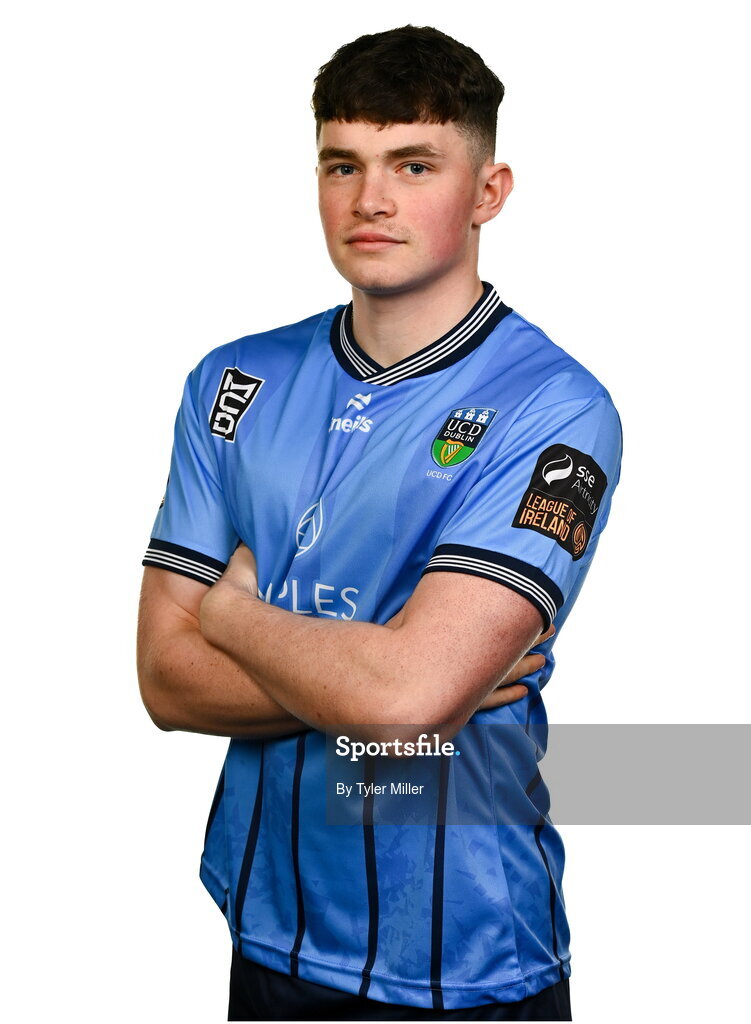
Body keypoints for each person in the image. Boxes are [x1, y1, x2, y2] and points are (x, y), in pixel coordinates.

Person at [137, 24, 621, 1021]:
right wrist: (398, 682)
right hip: (267, 928)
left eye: (413, 163)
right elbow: (162, 677)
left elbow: (403, 705)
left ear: (487, 192)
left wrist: (229, 617)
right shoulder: (235, 382)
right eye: (341, 164)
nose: (370, 199)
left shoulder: (555, 409)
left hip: (467, 957)